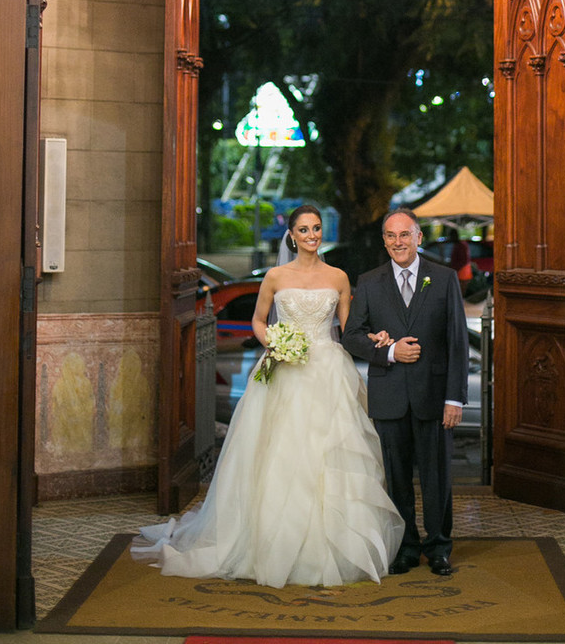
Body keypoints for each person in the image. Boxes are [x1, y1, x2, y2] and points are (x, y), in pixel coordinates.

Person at [131, 204, 403, 588]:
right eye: (304, 230)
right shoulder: (275, 277)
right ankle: (268, 542)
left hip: (328, 370)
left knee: (330, 455)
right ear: (291, 235)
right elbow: (258, 321)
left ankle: (331, 546)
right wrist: (276, 342)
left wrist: (375, 337)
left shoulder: (339, 277)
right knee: (279, 454)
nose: (312, 235)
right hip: (284, 372)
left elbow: (350, 327)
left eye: (317, 228)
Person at [342, 207, 468, 577]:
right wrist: (391, 352)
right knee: (396, 479)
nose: (398, 242)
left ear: (419, 237)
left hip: (434, 396)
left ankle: (439, 547)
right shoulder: (369, 281)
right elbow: (351, 336)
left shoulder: (443, 279)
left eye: (405, 235)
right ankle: (406, 547)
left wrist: (454, 398)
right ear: (384, 241)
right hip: (390, 396)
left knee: (437, 478)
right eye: (391, 236)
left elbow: (457, 341)